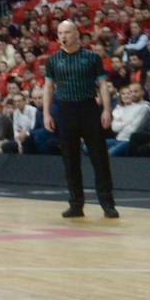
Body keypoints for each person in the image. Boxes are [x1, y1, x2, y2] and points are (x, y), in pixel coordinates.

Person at [42, 19, 118, 217]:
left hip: (89, 109)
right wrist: (46, 113)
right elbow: (49, 88)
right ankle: (76, 204)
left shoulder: (92, 58)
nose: (63, 37)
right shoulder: (52, 60)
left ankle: (107, 204)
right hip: (65, 111)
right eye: (60, 33)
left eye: (67, 32)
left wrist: (106, 110)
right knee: (70, 160)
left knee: (99, 158)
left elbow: (102, 85)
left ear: (76, 34)